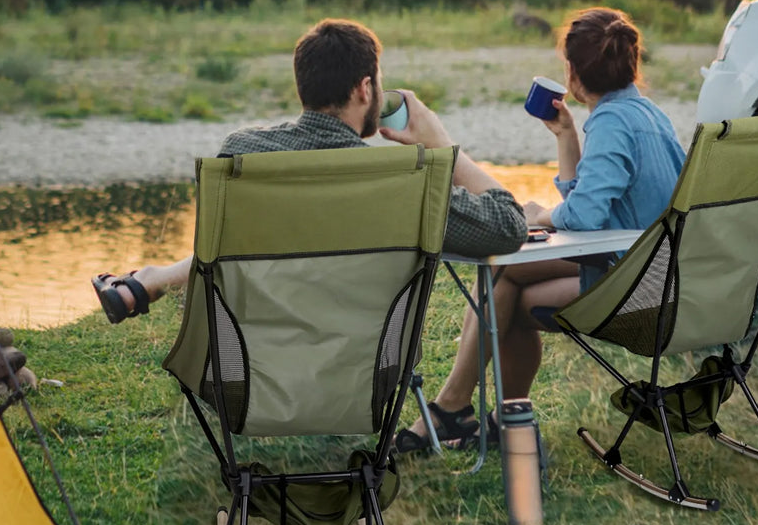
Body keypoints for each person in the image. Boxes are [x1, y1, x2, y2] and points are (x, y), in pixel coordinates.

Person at [93, 18, 527, 326]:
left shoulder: (242, 154)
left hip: (250, 371)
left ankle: (152, 279)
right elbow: (509, 225)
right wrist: (444, 147)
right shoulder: (397, 179)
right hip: (358, 375)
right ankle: (152, 279)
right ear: (365, 89)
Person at [395, 6, 687, 453]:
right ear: (632, 64)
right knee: (507, 286)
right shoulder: (648, 115)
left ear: (571, 73)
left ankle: (457, 408)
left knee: (504, 279)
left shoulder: (611, 123)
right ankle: (492, 417)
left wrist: (538, 216)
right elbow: (591, 202)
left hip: (634, 285)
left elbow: (582, 217)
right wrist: (566, 137)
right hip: (656, 272)